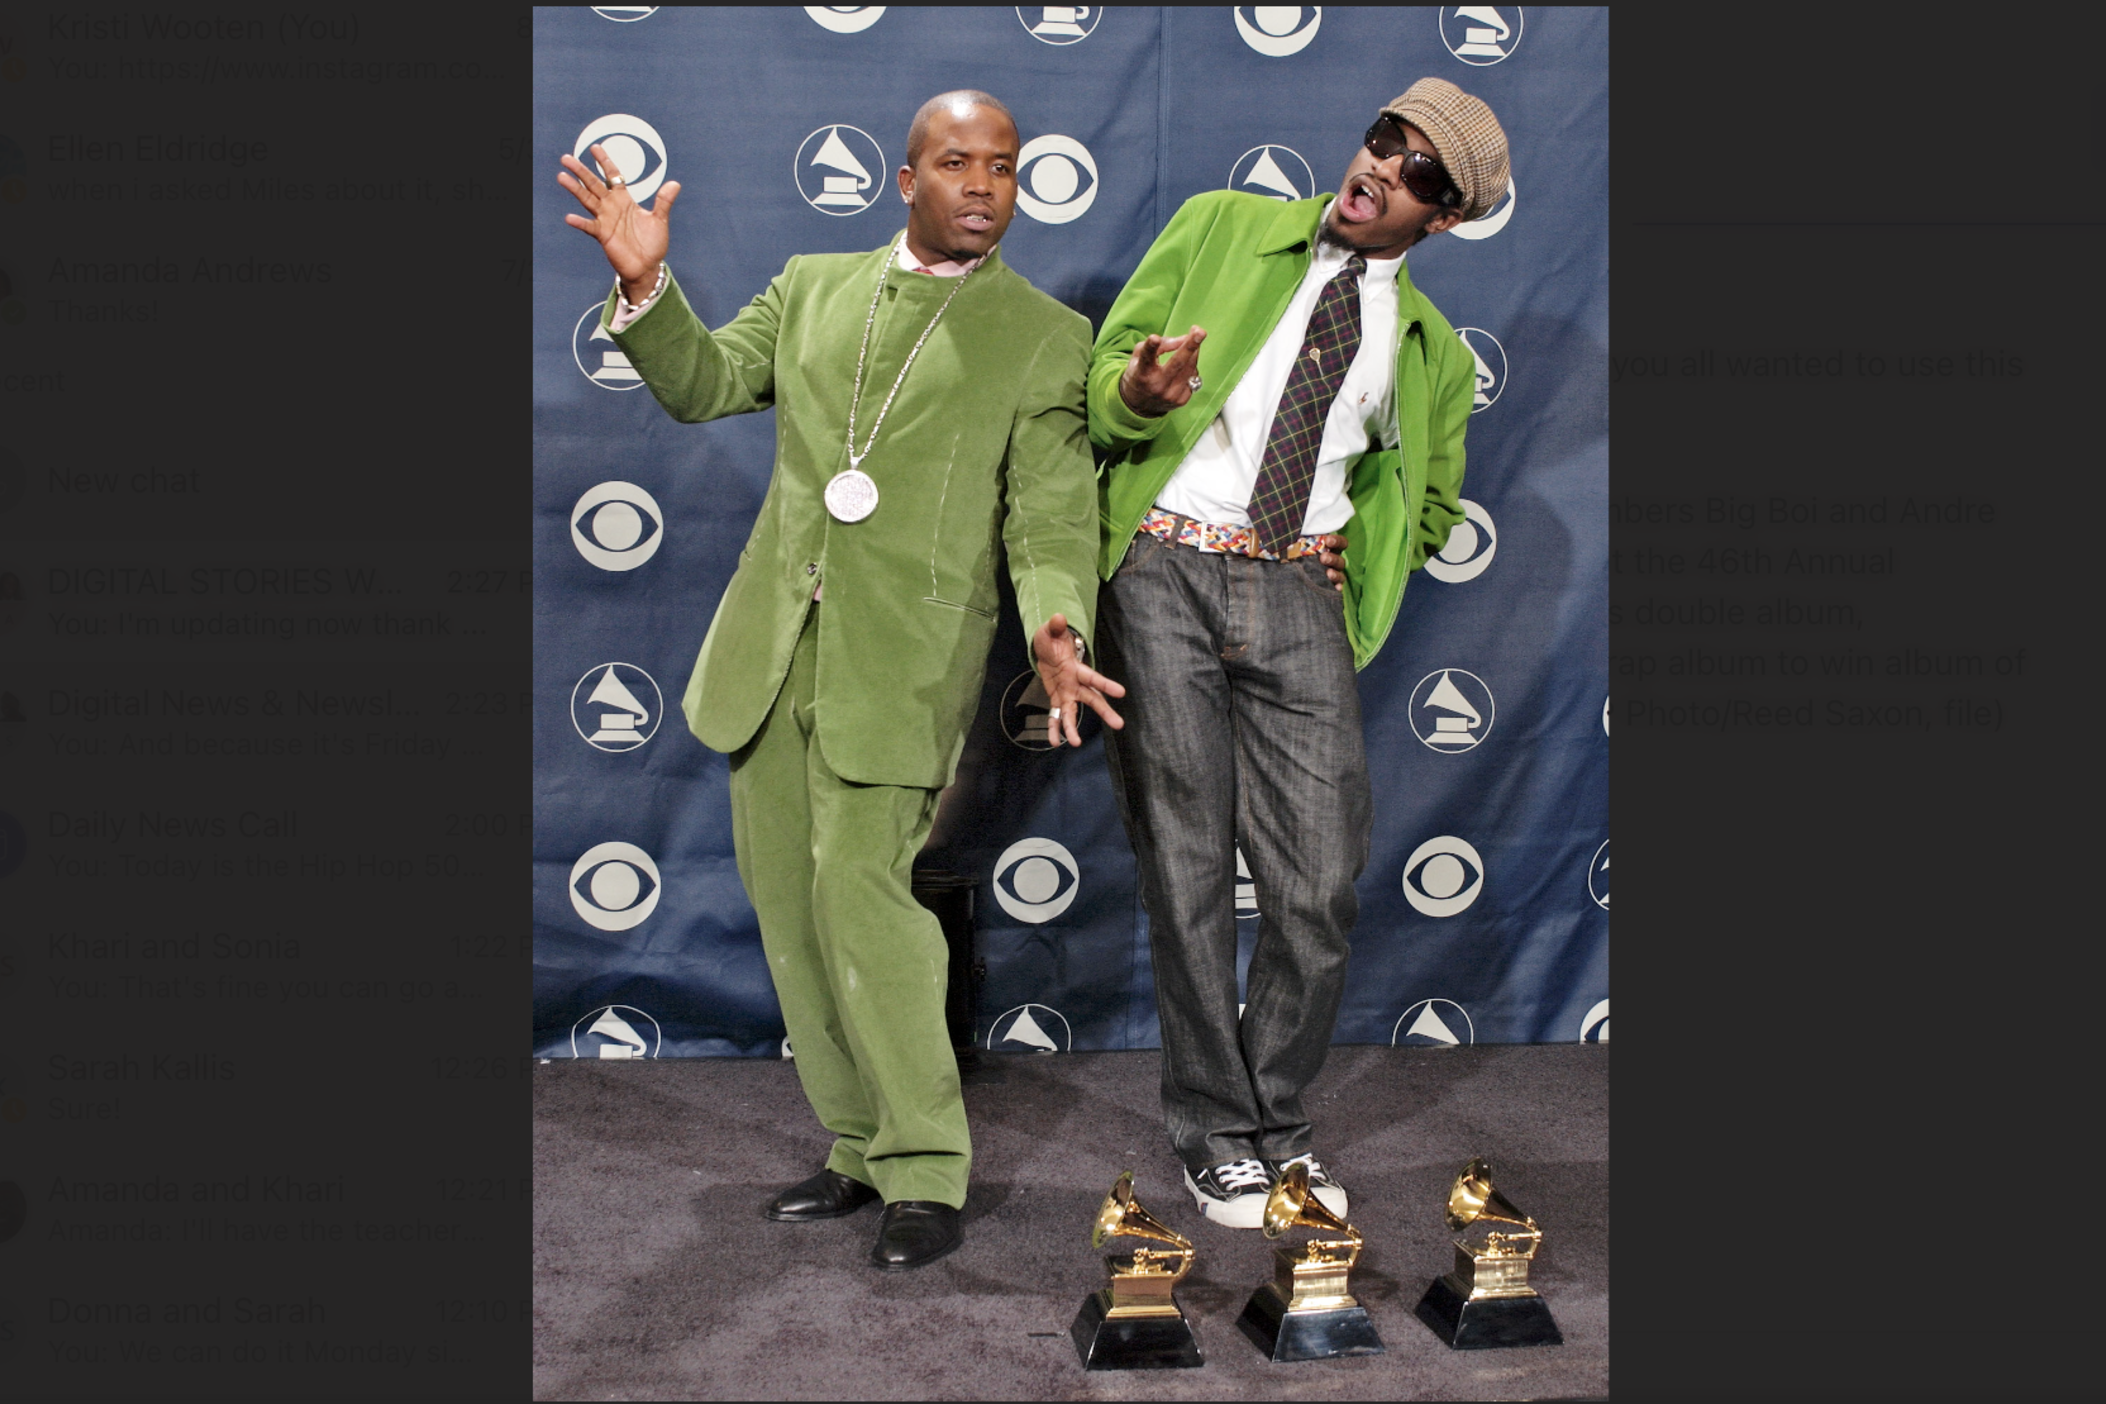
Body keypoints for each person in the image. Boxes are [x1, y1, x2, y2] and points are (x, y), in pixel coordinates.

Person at [557, 90, 1124, 1270]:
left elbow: (1052, 519)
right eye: (958, 163)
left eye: (1007, 168)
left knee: (866, 898)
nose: (985, 186)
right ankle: (858, 1146)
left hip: (902, 670)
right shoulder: (813, 285)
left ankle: (926, 1166)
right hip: (770, 655)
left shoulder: (1042, 336)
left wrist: (1059, 626)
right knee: (796, 915)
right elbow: (706, 384)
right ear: (904, 180)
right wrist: (648, 293)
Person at [1085, 77, 1510, 1228]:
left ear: (1447, 219)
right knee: (1183, 869)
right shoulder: (1221, 226)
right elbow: (1105, 377)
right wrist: (1137, 389)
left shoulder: (1428, 349)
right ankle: (1216, 1135)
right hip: (1162, 571)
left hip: (1295, 589)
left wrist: (1350, 558)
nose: (1386, 168)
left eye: (1421, 172)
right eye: (1386, 139)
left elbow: (1426, 505)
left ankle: (1274, 1117)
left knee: (1316, 883)